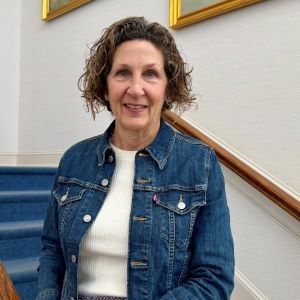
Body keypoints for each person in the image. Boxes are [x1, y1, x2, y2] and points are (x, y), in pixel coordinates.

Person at [36, 16, 234, 300]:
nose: (136, 88)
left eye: (151, 74)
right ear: (105, 85)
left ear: (168, 86)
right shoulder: (74, 160)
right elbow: (52, 250)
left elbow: (214, 278)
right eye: (123, 72)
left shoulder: (199, 164)